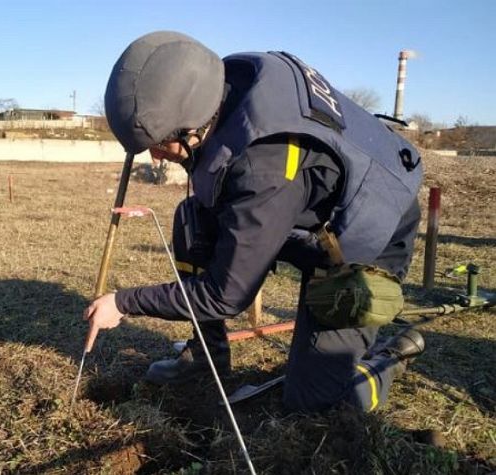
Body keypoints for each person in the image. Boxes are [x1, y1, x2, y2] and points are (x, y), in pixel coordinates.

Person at [83, 31, 426, 413]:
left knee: (316, 405)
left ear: (192, 126)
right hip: (305, 218)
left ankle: (390, 356)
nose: (159, 158)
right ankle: (206, 355)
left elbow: (225, 295)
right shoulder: (226, 85)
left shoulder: (263, 166)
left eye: (162, 144)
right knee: (192, 221)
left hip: (365, 241)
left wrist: (123, 302)